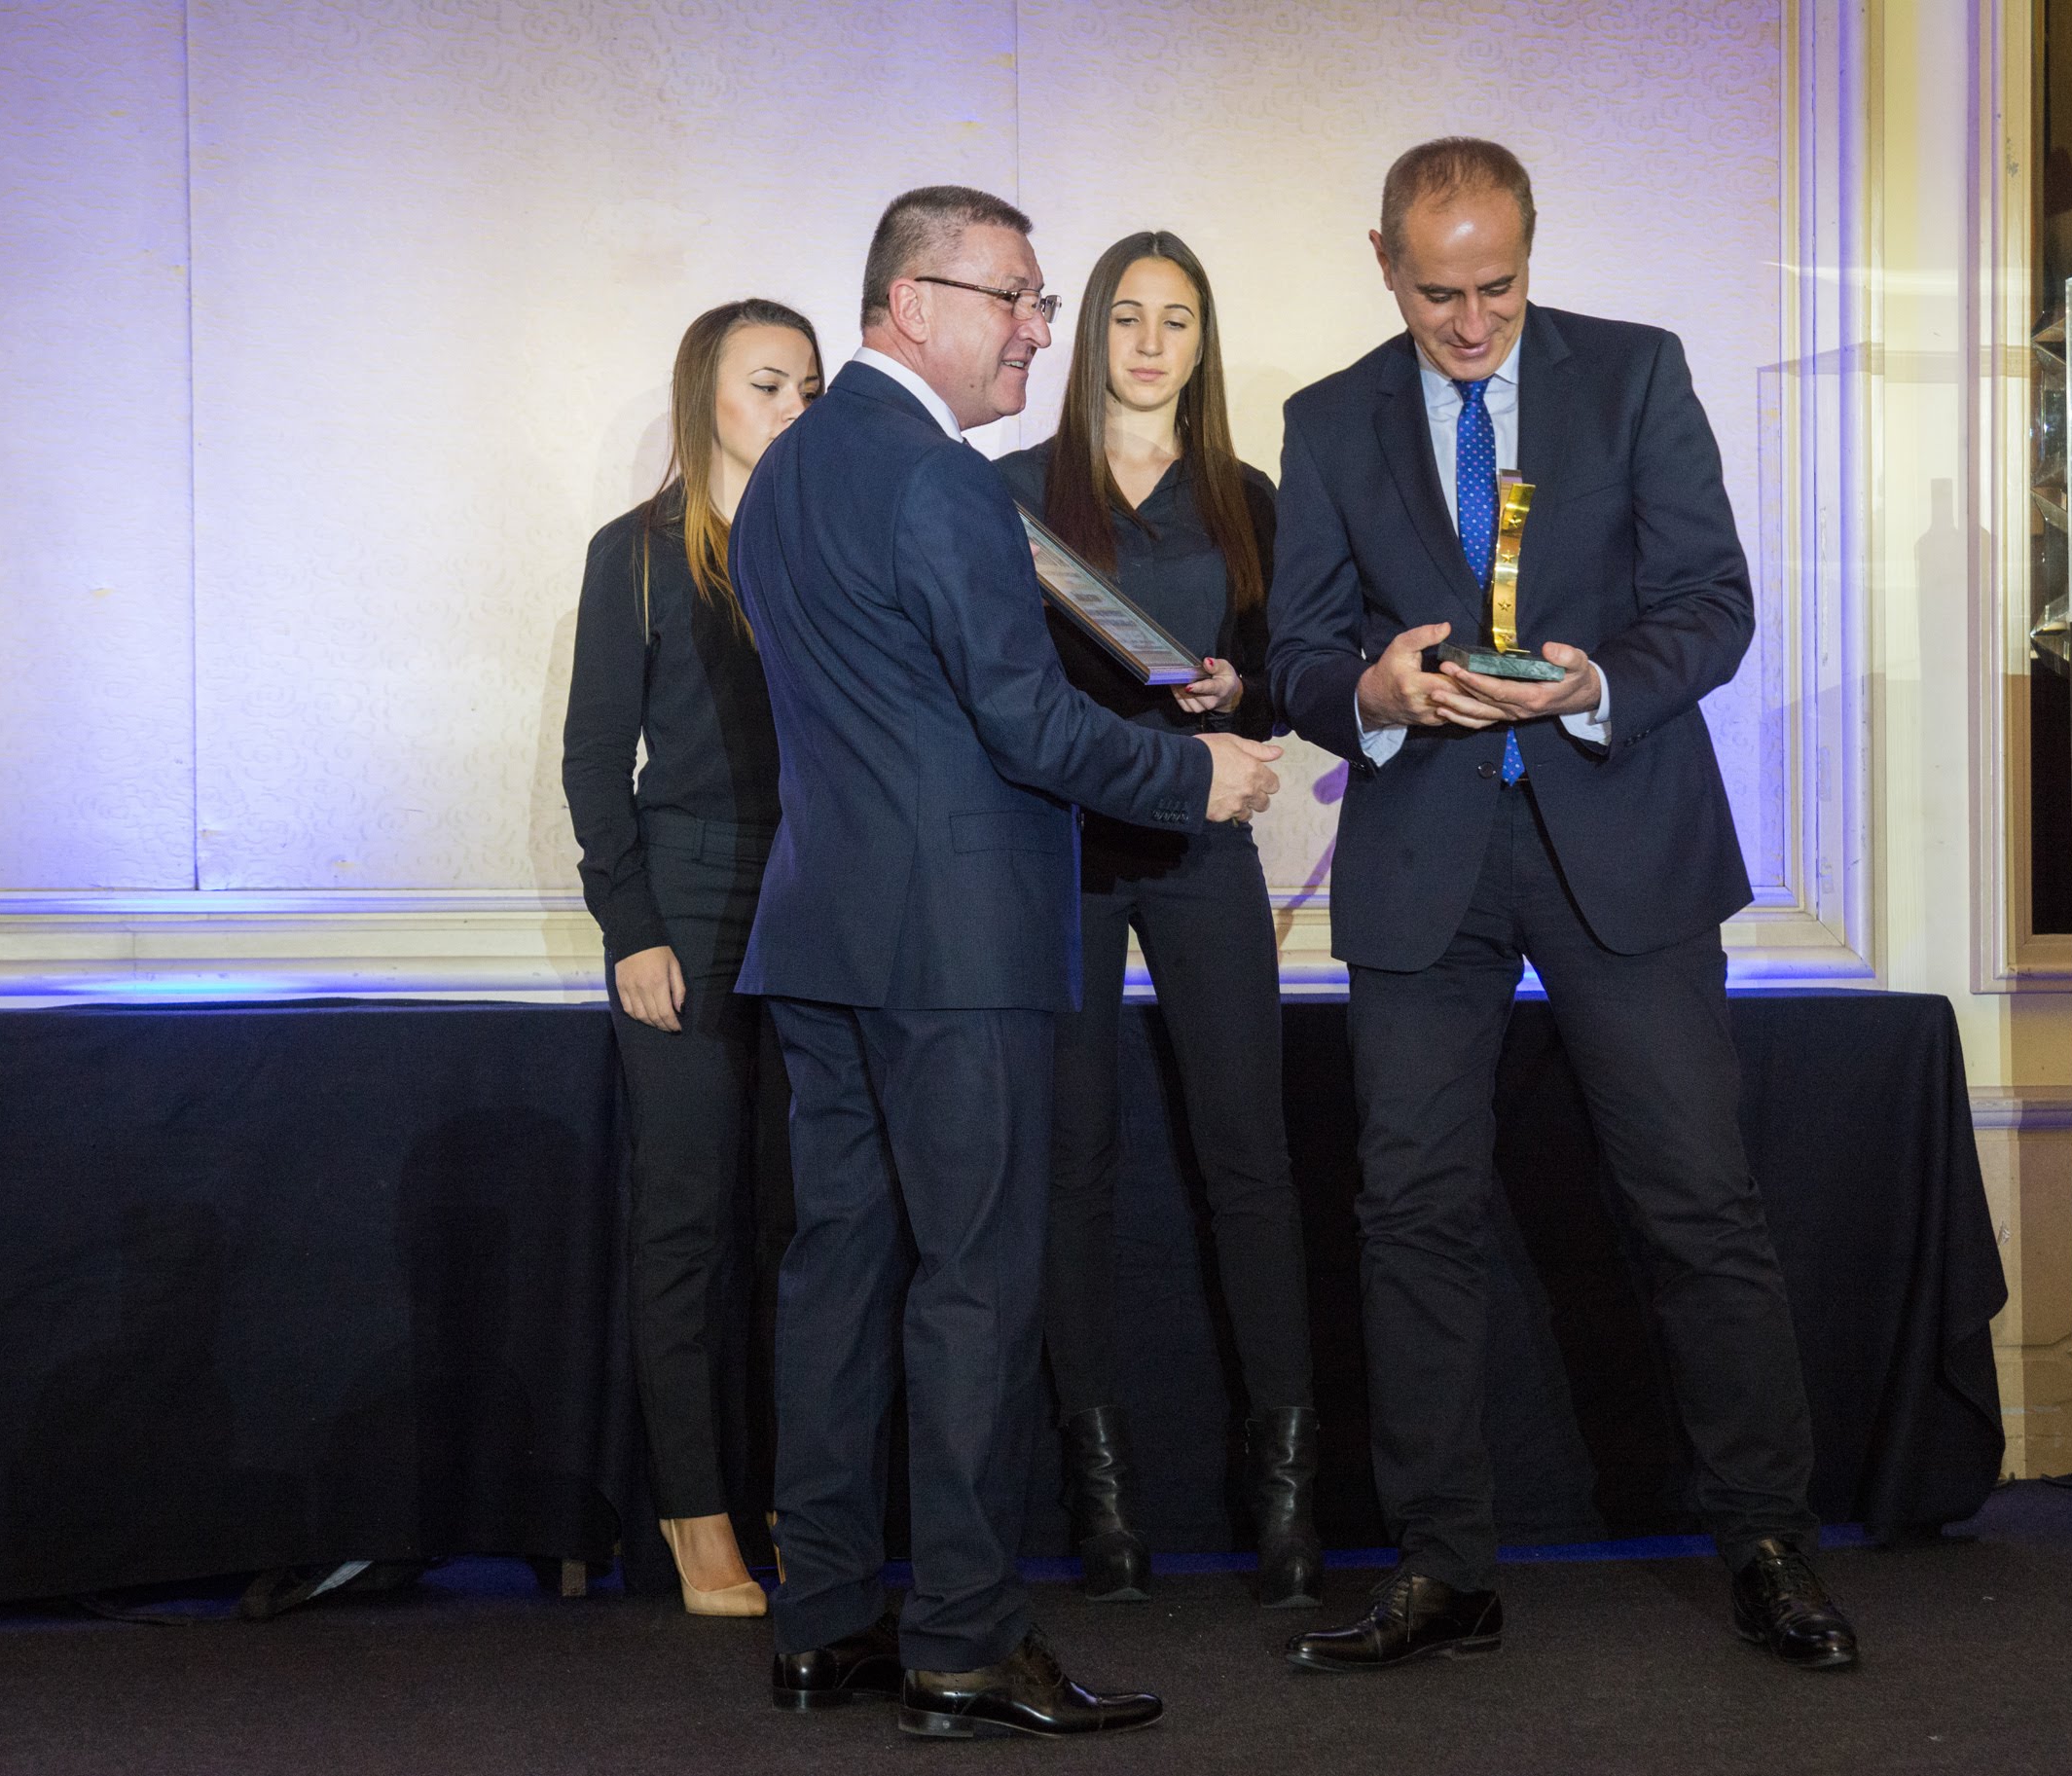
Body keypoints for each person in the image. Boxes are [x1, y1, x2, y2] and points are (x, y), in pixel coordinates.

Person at [1262, 138, 1860, 1673]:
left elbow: (1712, 602)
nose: (1472, 323)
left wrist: (1598, 682)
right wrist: (1374, 691)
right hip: (1424, 861)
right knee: (1410, 1216)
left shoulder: (1636, 373)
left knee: (1696, 1201)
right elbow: (1298, 655)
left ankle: (1767, 1543)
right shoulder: (1325, 420)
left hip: (1623, 837)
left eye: (1500, 287)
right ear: (1382, 264)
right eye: (1438, 293)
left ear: (1531, 253)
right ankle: (1441, 1568)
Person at [734, 186, 1283, 1738]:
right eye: (1017, 298)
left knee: (837, 1278)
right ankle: (965, 1643)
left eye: (1042, 302)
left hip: (822, 934)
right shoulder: (943, 484)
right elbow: (1025, 725)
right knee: (974, 1288)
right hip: (955, 949)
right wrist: (1199, 776)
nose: (1042, 327)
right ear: (912, 304)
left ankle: (824, 1622)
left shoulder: (785, 473)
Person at [996, 232, 1322, 1612]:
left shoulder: (1248, 498)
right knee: (1070, 1167)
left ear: (1202, 340)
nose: (1147, 342)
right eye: (1126, 316)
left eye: (1175, 318)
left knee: (1250, 1160)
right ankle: (1102, 1498)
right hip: (1059, 854)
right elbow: (997, 687)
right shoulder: (1014, 492)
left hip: (1200, 848)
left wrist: (1241, 692)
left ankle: (1287, 1494)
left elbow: (1291, 680)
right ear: (1089, 333)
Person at [561, 298, 820, 1617]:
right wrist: (634, 928)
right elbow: (593, 759)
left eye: (807, 389)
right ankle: (694, 1513)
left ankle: (796, 1497)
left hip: (817, 897)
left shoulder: (827, 548)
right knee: (684, 1226)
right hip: (687, 895)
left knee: (801, 1225)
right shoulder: (639, 554)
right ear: (703, 397)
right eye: (766, 384)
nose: (791, 409)